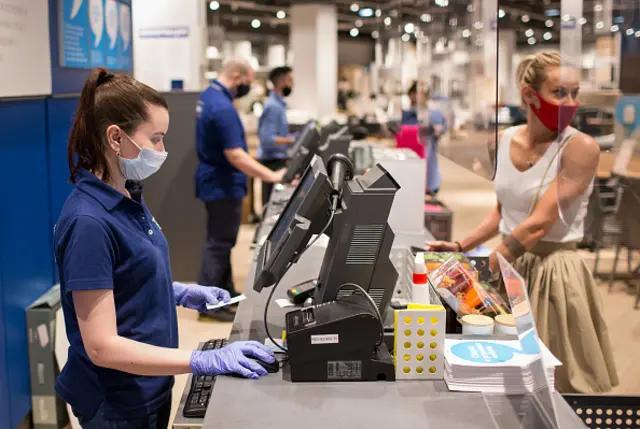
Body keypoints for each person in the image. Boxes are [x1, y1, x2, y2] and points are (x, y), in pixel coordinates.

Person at [55, 68, 276, 428]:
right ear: (115, 138)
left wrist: (176, 292)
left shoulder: (127, 194)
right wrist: (198, 360)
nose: (162, 150)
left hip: (148, 385)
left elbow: (121, 279)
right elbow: (102, 346)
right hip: (117, 401)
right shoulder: (88, 222)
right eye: (155, 139)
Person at [427, 51, 618, 394]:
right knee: (501, 377)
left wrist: (484, 267)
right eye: (560, 92)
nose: (570, 102)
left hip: (554, 271)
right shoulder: (499, 141)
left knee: (552, 382)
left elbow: (539, 225)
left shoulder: (580, 148)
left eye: (575, 93)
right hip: (509, 265)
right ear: (529, 94)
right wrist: (460, 247)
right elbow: (503, 213)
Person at [195, 58, 285, 321]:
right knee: (218, 243)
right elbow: (235, 155)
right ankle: (208, 305)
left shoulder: (208, 97)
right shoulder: (222, 107)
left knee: (222, 241)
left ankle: (223, 294)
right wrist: (270, 175)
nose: (247, 88)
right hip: (222, 183)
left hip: (215, 181)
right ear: (236, 77)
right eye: (246, 82)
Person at [257, 66, 295, 207]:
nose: (292, 84)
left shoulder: (279, 105)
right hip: (272, 163)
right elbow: (267, 139)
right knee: (271, 208)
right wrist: (291, 140)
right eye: (290, 80)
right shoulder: (273, 107)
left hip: (277, 160)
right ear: (281, 82)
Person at [402, 81, 447, 196]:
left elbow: (440, 129)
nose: (415, 97)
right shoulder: (406, 114)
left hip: (429, 168)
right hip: (409, 166)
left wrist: (436, 128)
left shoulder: (434, 115)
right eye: (413, 94)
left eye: (418, 94)